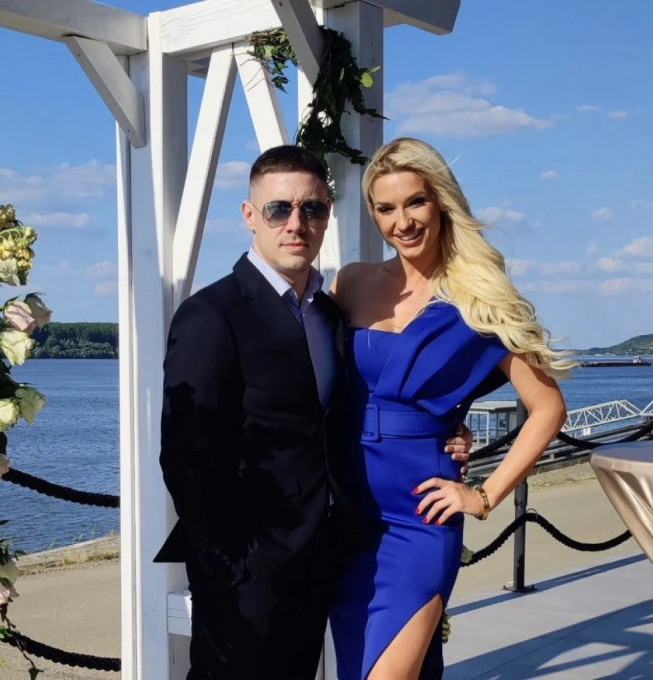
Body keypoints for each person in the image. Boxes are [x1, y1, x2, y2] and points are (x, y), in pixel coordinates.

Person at [155, 144, 472, 680]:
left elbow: (361, 402)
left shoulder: (329, 312)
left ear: (327, 216)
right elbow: (186, 458)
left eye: (312, 208)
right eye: (279, 209)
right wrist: (233, 563)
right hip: (248, 571)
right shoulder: (211, 315)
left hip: (326, 553)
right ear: (250, 215)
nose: (296, 223)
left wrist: (446, 427)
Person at [328, 137, 570, 680]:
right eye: (385, 208)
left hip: (419, 516)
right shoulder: (352, 282)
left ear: (440, 201)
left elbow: (547, 408)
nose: (402, 222)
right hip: (348, 512)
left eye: (415, 202)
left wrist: (483, 496)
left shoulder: (481, 298)